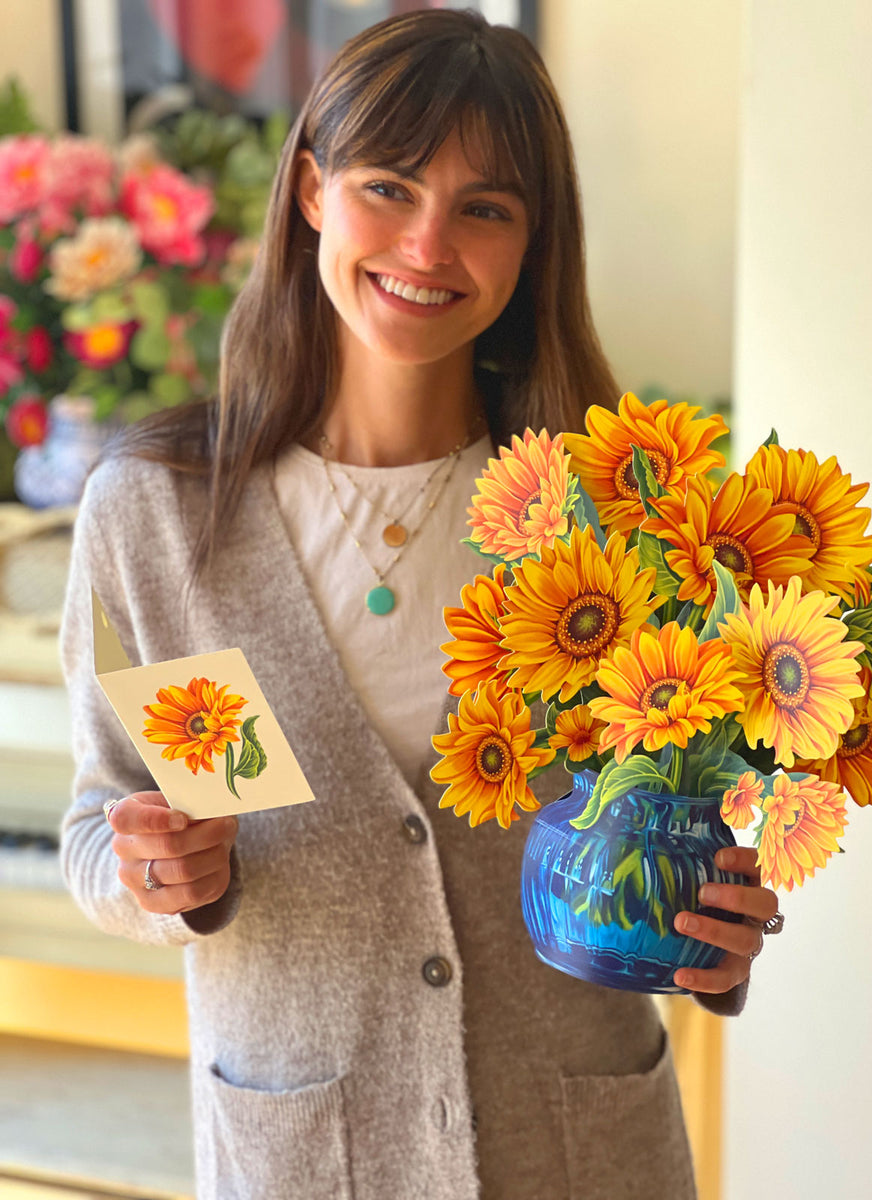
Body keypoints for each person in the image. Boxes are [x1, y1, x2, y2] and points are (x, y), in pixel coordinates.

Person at [59, 10, 779, 1199]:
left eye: (486, 208)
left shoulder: (611, 517)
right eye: (390, 186)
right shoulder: (165, 520)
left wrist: (709, 934)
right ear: (309, 194)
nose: (429, 243)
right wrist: (150, 877)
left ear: (533, 242)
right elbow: (103, 821)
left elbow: (671, 828)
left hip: (582, 1151)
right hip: (305, 1154)